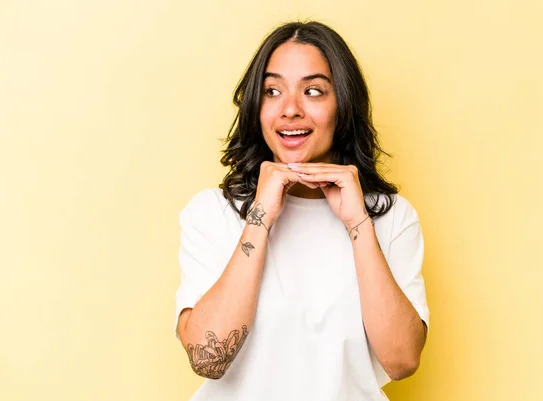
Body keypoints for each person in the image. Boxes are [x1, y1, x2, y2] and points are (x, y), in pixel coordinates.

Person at [175, 20, 429, 401]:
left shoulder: (392, 218)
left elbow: (402, 360)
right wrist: (260, 216)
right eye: (272, 91)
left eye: (313, 91)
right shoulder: (212, 212)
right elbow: (208, 359)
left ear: (342, 104)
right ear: (255, 108)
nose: (290, 110)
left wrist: (358, 222)